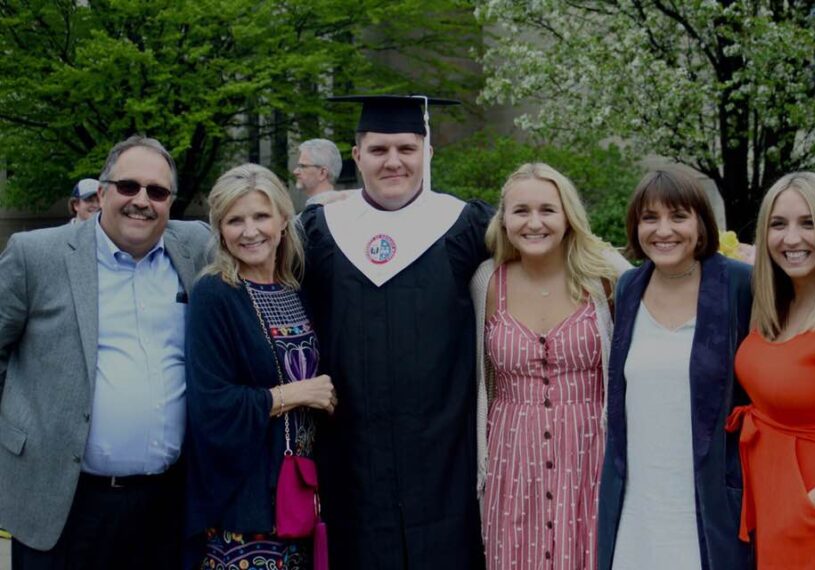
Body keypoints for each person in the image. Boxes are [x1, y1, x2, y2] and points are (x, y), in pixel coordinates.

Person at [300, 95, 492, 569]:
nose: (393, 161)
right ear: (357, 154)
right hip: (351, 459)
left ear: (427, 153)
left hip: (445, 457)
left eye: (406, 149)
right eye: (379, 149)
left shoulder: (464, 225)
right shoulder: (322, 230)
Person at [0, 136, 210, 568]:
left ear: (171, 202)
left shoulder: (194, 247)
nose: (141, 201)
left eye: (157, 192)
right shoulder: (36, 255)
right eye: (128, 186)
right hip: (62, 502)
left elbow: (264, 230)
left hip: (164, 506)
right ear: (101, 193)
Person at [470, 163, 630, 570]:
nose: (534, 222)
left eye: (547, 210)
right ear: (503, 220)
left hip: (591, 451)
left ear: (568, 217)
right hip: (511, 455)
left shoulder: (605, 276)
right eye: (521, 211)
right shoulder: (486, 282)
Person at [598, 169, 754, 570]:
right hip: (637, 501)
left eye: (678, 216)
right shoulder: (630, 287)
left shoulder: (739, 284)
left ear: (701, 223)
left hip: (710, 502)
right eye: (650, 218)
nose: (663, 230)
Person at [184, 163, 335, 569]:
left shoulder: (296, 290)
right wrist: (298, 393)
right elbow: (210, 406)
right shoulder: (214, 294)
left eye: (261, 216)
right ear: (219, 229)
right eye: (235, 220)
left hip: (300, 495)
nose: (250, 231)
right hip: (245, 505)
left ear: (283, 220)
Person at [727, 172, 815, 569]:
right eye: (778, 225)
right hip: (773, 505)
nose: (791, 239)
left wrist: (811, 504)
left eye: (809, 223)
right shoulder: (773, 307)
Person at [293, 139, 342, 207]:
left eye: (303, 166)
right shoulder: (340, 208)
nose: (295, 172)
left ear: (322, 173)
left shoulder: (324, 212)